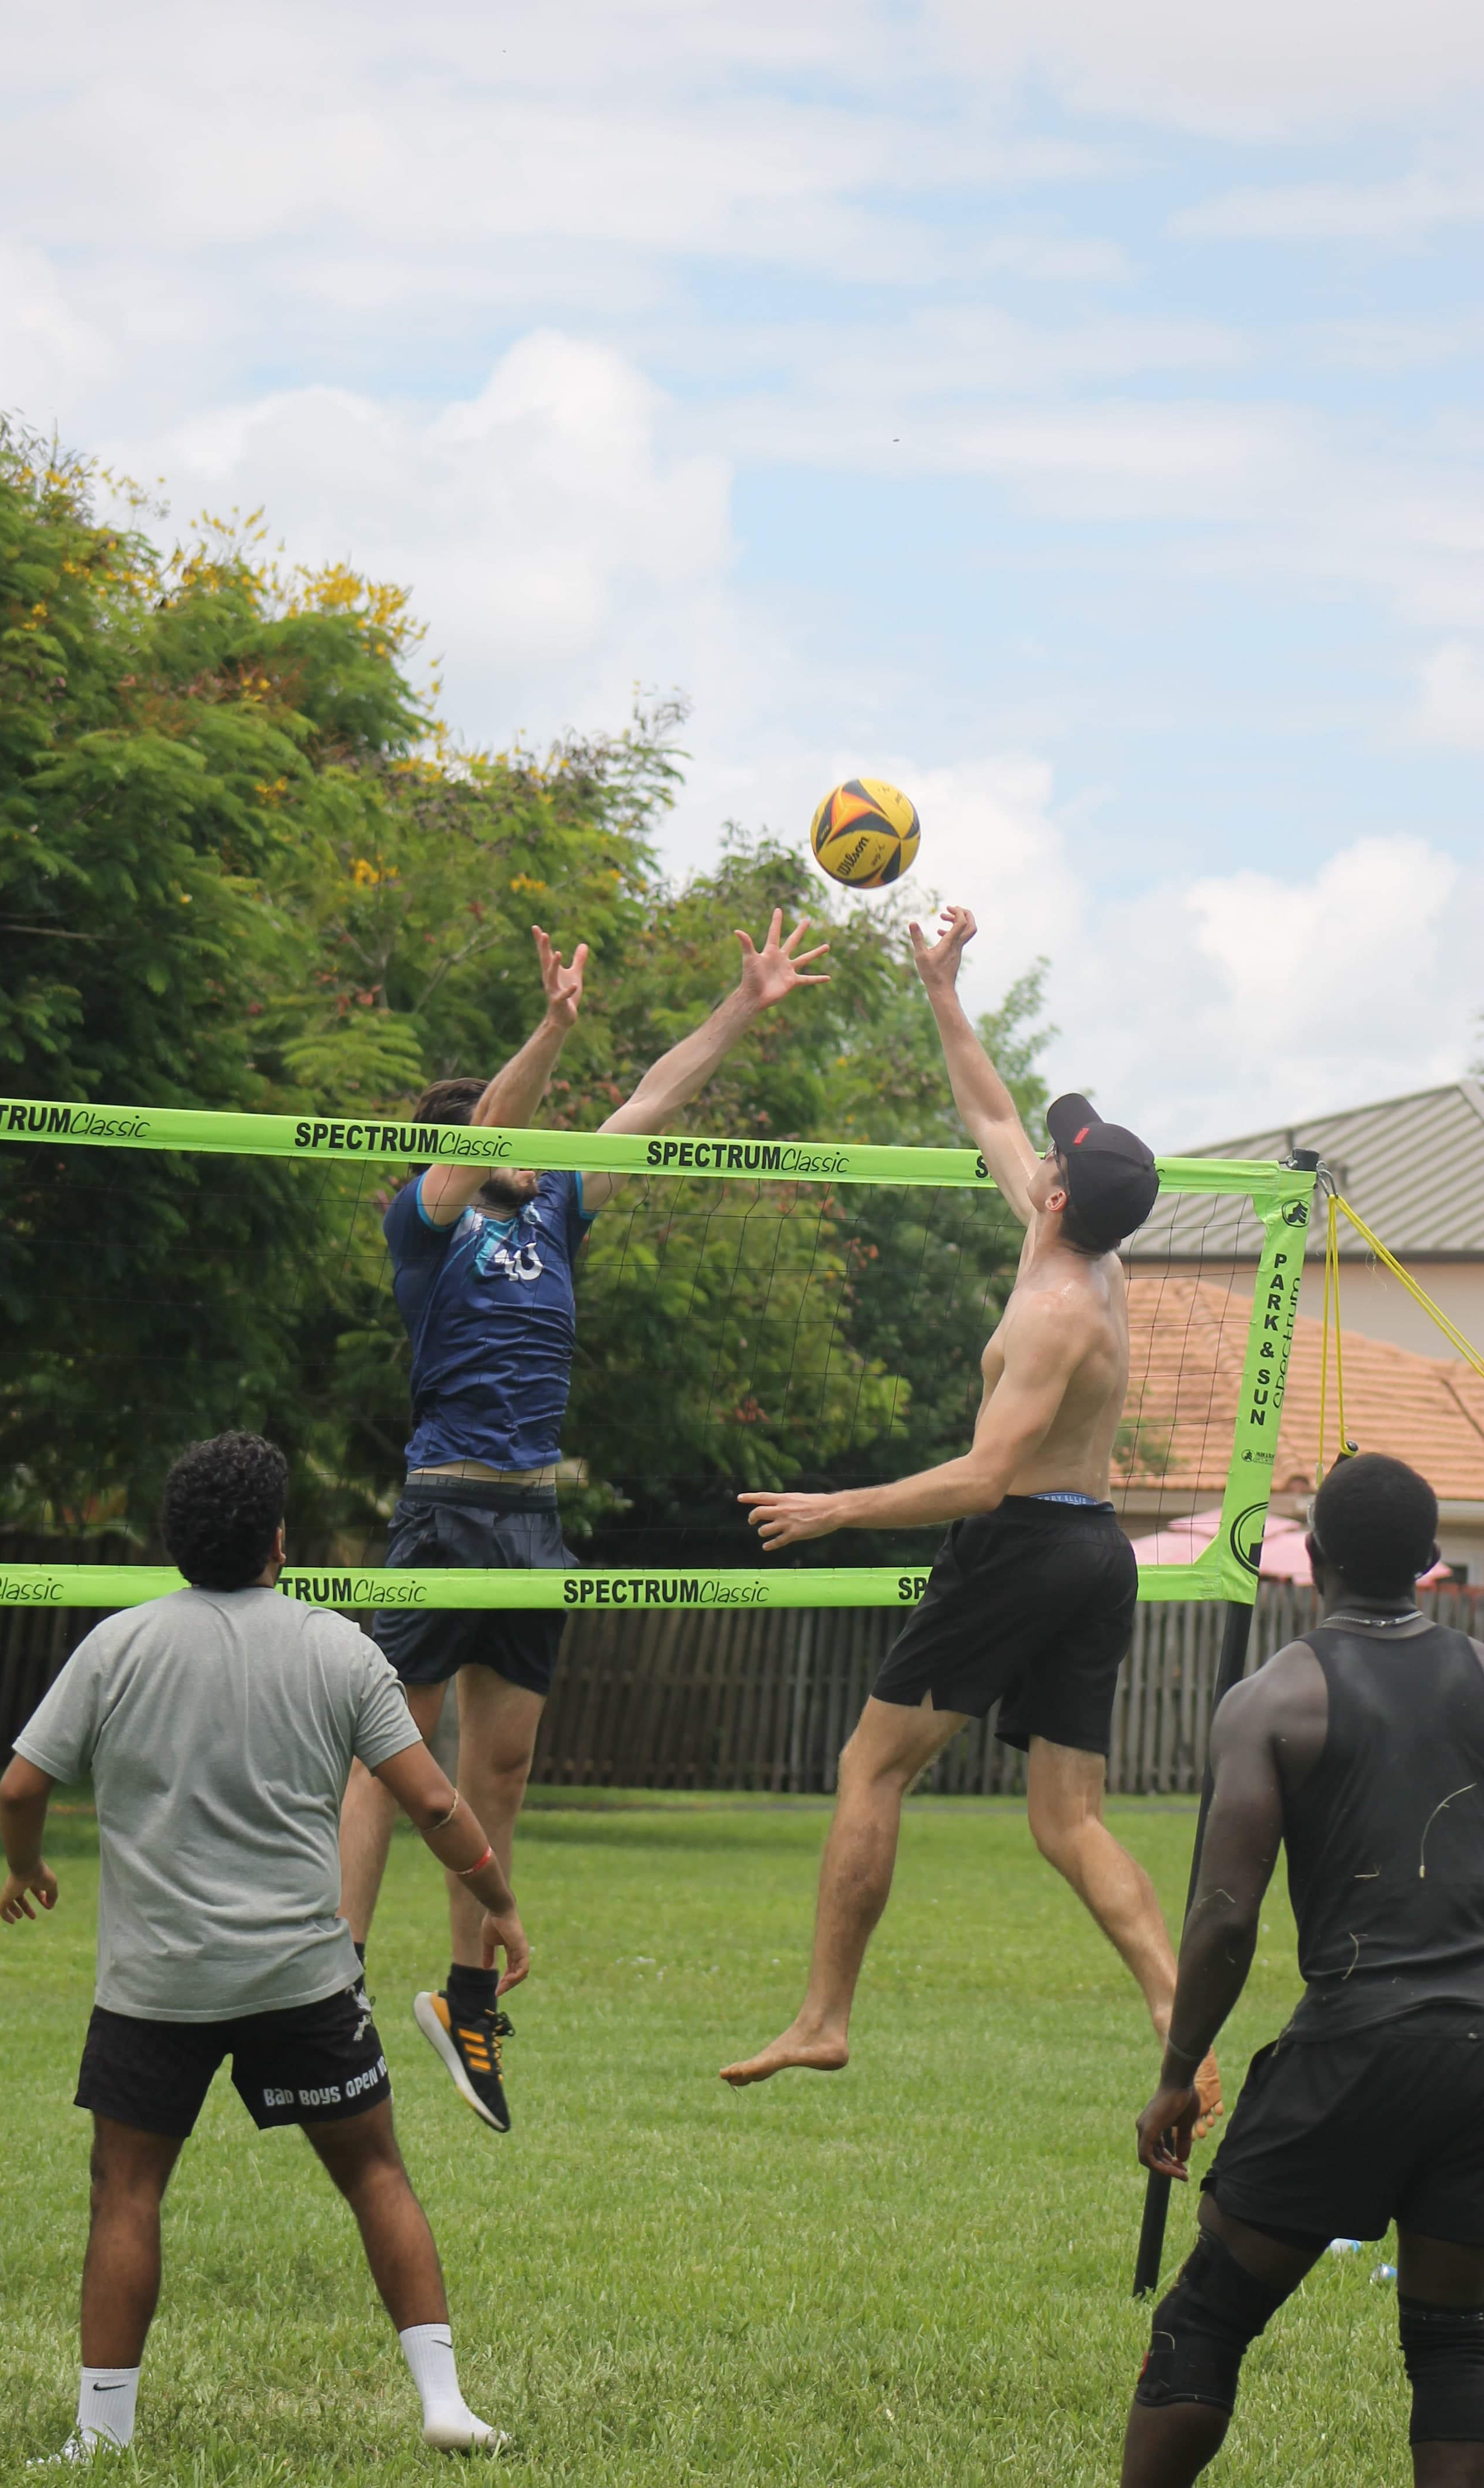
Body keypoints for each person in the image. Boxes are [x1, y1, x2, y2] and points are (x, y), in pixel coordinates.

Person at [720, 901, 1220, 2126]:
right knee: (1067, 1819)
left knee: (869, 1767)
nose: (1037, 1155)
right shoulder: (1083, 1255)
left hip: (1024, 1545)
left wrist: (840, 1508)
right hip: (1093, 1551)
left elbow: (980, 1482)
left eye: (1057, 1156)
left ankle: (825, 2019)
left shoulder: (1051, 1310)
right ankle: (1174, 2012)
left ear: (1054, 1197)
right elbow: (991, 1112)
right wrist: (941, 990)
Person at [339, 910, 830, 2134]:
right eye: (507, 1124)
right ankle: (330, 1987)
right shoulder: (428, 1215)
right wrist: (551, 1027)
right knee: (391, 1761)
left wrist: (743, 1005)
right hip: (446, 1507)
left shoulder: (557, 1205)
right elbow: (496, 1126)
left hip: (532, 1524)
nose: (532, 1138)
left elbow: (653, 1102)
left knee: (494, 1773)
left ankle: (464, 2005)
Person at [0, 1432, 527, 2463]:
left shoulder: (118, 1645)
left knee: (126, 2191)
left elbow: (23, 1786)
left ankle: (101, 2440)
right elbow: (433, 1801)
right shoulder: (338, 1649)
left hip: (156, 1985)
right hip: (304, 1979)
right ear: (279, 1542)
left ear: (174, 1541)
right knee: (377, 2173)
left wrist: (26, 1867)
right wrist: (497, 1902)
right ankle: (446, 2404)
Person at [1124, 1451, 1484, 2488]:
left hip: (1356, 2048)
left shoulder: (1272, 1699)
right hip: (1477, 2055)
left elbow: (1226, 1913)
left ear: (1312, 1556)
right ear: (1428, 1562)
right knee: (1457, 2346)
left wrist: (1177, 2070)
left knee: (1205, 2318)